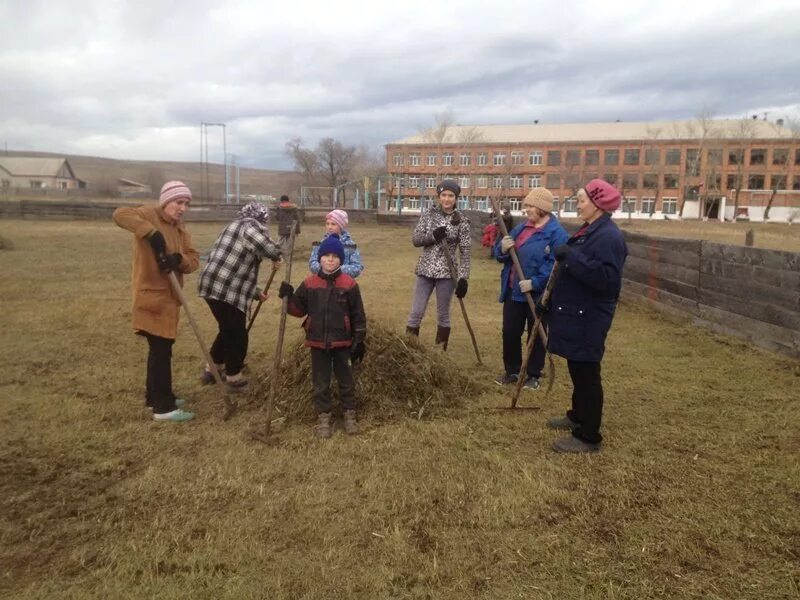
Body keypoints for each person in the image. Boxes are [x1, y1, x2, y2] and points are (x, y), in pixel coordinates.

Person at [544, 179, 627, 453]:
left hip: (590, 317)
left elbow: (607, 280)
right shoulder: (590, 231)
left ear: (597, 203)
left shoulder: (609, 237)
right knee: (577, 368)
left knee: (587, 372)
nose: (578, 204)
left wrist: (571, 257)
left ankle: (589, 435)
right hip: (576, 313)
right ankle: (577, 415)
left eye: (582, 200)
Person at [112, 181, 200, 422]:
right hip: (151, 295)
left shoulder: (180, 228)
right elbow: (120, 214)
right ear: (166, 201)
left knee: (161, 348)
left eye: (186, 204)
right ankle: (164, 408)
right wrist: (151, 233)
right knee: (161, 349)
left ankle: (155, 396)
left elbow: (193, 259)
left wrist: (177, 259)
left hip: (170, 298)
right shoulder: (149, 214)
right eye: (178, 202)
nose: (182, 208)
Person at [278, 234, 367, 438]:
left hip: (342, 341)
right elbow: (298, 309)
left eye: (335, 256)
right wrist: (287, 296)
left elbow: (358, 315)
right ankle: (324, 416)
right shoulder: (309, 284)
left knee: (346, 379)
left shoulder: (349, 285)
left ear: (341, 260)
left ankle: (349, 413)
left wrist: (359, 339)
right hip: (317, 341)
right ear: (319, 258)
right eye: (326, 255)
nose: (330, 259)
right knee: (321, 381)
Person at [197, 201, 283, 390]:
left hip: (213, 286)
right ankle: (233, 377)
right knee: (237, 333)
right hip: (225, 289)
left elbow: (236, 266)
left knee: (227, 329)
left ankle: (212, 370)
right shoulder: (249, 226)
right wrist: (277, 255)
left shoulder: (232, 226)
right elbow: (266, 246)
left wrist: (255, 292)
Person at [494, 188, 568, 390]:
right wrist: (501, 248)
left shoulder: (556, 234)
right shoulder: (521, 229)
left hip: (538, 296)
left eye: (529, 206)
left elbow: (556, 265)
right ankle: (512, 371)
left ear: (542, 208)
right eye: (525, 205)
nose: (526, 210)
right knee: (509, 332)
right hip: (512, 290)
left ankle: (533, 375)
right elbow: (501, 253)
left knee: (536, 333)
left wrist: (535, 282)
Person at [405, 179, 471, 350]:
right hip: (425, 271)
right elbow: (416, 239)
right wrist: (433, 236)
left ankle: (439, 355)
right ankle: (408, 351)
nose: (447, 199)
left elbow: (465, 252)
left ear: (456, 198)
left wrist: (463, 278)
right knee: (416, 313)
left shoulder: (462, 220)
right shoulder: (428, 214)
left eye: (451, 196)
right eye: (444, 195)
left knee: (443, 315)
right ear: (439, 196)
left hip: (447, 274)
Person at [309, 209, 364, 278]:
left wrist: (337, 269)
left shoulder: (350, 246)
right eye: (327, 224)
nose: (329, 227)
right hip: (322, 285)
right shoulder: (321, 244)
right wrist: (326, 268)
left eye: (333, 224)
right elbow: (312, 263)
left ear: (341, 226)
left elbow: (357, 268)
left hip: (343, 286)